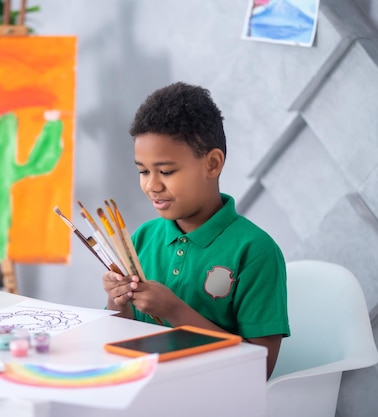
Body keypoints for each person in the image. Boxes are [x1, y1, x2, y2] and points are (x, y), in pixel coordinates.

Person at [103, 82, 290, 379]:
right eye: (143, 171)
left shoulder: (255, 251)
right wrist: (117, 300)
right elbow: (117, 336)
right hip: (142, 390)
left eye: (166, 172)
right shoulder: (141, 239)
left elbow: (260, 368)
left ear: (212, 164)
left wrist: (175, 312)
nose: (152, 185)